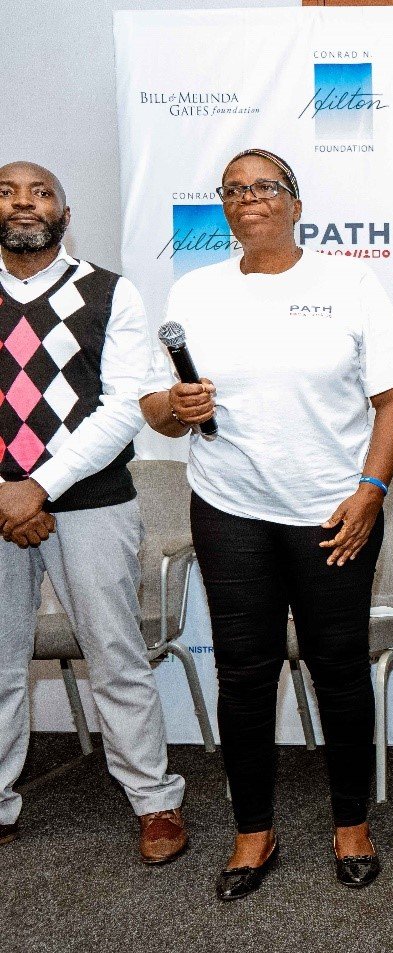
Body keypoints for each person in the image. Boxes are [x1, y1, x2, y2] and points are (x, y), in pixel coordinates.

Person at [140, 149, 393, 900]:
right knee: (246, 672)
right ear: (223, 209)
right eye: (233, 190)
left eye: (264, 186)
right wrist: (176, 410)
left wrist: (371, 491)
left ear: (295, 203)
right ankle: (253, 832)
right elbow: (158, 408)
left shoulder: (349, 283)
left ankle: (352, 823)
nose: (247, 198)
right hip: (230, 508)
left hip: (334, 511)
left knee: (339, 668)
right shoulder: (194, 291)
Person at [0, 161, 187, 862]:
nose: (24, 202)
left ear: (64, 212)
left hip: (91, 500)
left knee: (116, 654)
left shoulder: (109, 292)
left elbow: (122, 408)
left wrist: (35, 486)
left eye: (40, 191)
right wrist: (5, 492)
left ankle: (155, 800)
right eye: (8, 191)